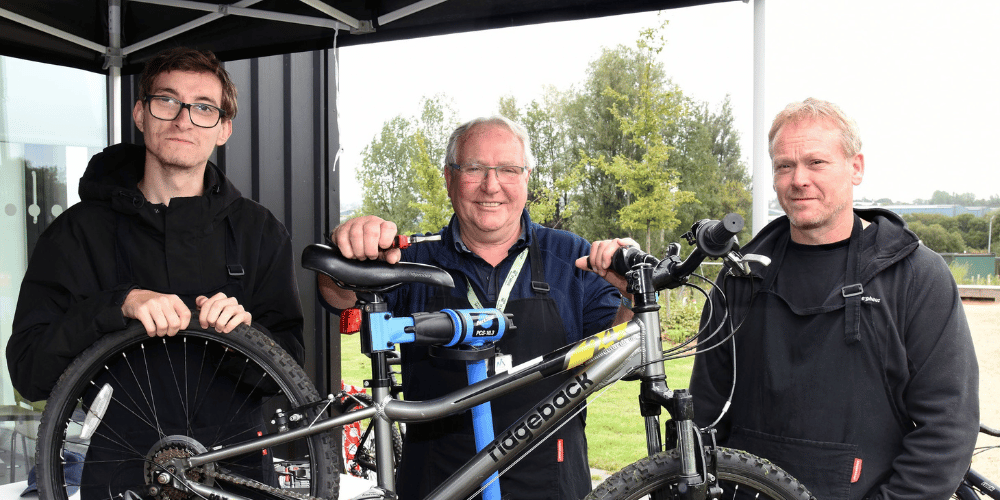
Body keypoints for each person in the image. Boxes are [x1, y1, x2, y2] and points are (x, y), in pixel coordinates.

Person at [7, 47, 304, 497]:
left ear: (224, 129)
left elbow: (288, 369)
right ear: (141, 114)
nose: (184, 119)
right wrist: (117, 305)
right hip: (114, 478)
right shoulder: (76, 234)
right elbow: (29, 373)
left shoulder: (259, 232)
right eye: (168, 100)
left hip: (232, 476)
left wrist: (244, 336)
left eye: (204, 107)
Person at [319, 115, 635, 499]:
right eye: (474, 168)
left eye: (507, 169)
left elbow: (620, 360)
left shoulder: (573, 256)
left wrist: (633, 295)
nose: (491, 185)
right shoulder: (408, 258)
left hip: (552, 485)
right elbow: (340, 297)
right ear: (449, 178)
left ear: (526, 178)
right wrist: (347, 248)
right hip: (437, 483)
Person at [689, 98, 979, 500]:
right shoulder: (741, 277)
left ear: (855, 167)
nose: (799, 179)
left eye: (817, 163)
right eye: (784, 166)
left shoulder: (915, 276)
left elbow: (948, 426)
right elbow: (705, 411)